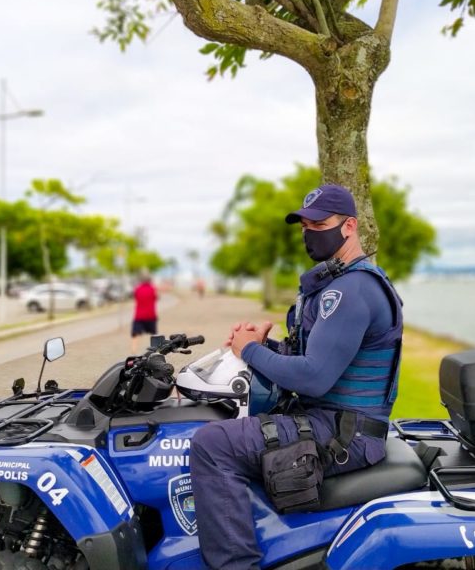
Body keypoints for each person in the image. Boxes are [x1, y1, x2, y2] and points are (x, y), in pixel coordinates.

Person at [190, 185, 404, 570]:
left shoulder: (353, 290)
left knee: (211, 444)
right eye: (304, 225)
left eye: (319, 223)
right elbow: (314, 355)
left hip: (343, 433)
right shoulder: (339, 284)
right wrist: (264, 345)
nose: (309, 233)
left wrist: (249, 351)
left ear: (350, 226)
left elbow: (314, 377)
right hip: (333, 420)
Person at [131, 270, 158, 353]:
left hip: (139, 316)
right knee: (153, 335)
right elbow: (155, 298)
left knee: (135, 335)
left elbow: (135, 297)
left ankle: (134, 351)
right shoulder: (152, 289)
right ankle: (155, 352)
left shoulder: (137, 289)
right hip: (150, 315)